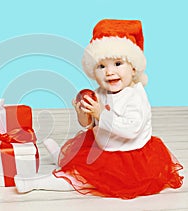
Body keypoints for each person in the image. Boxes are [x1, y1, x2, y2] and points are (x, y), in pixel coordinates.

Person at [14, 19, 184, 199]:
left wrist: (100, 114)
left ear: (133, 69)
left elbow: (131, 129)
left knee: (84, 180)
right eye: (102, 66)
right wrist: (84, 113)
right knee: (81, 158)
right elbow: (89, 125)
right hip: (101, 147)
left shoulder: (135, 96)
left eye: (118, 64)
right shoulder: (99, 93)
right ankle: (64, 160)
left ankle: (37, 183)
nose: (109, 72)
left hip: (126, 157)